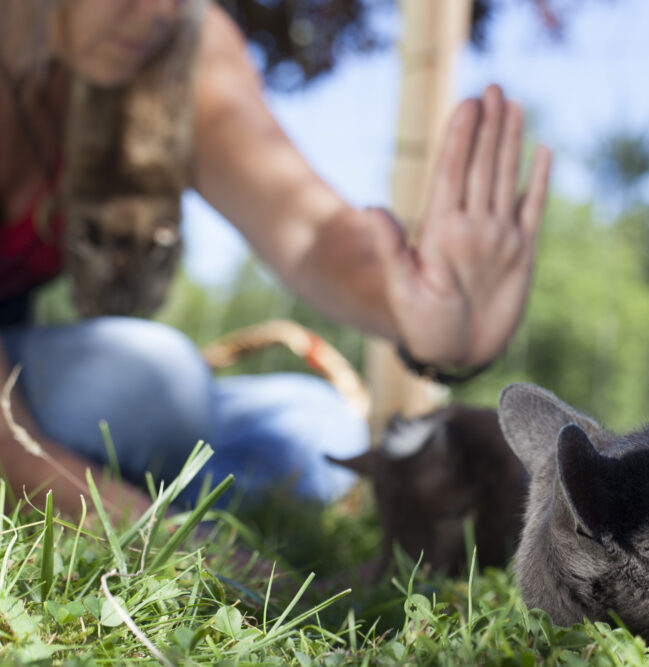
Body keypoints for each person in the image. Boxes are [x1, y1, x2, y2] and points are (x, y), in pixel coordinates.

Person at [0, 0, 551, 522]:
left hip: (30, 375)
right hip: (29, 400)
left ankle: (143, 472)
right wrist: (160, 539)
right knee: (152, 384)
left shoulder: (179, 48)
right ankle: (144, 481)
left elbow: (308, 229)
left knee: (320, 430)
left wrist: (419, 316)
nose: (161, 13)